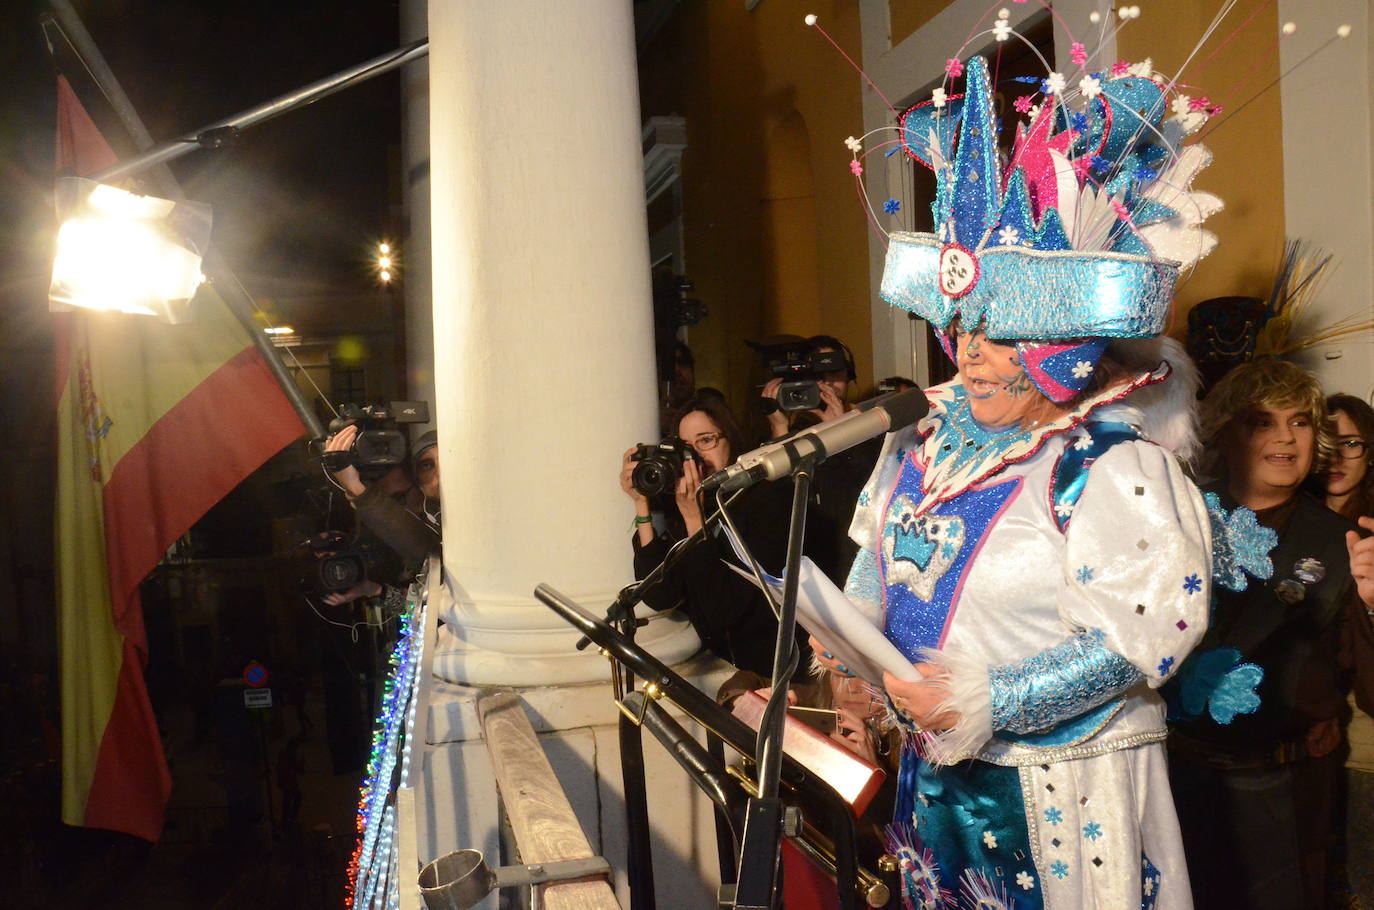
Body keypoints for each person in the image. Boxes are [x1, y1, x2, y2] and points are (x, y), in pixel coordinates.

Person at [812, 50, 1225, 907]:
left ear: (1060, 347)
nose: (969, 354)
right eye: (962, 328)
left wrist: (987, 698)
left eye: (998, 335)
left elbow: (1143, 636)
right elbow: (880, 555)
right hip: (937, 788)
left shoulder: (1113, 466)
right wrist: (848, 635)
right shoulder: (923, 440)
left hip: (1061, 795)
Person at [1168, 362, 1374, 910]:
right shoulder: (1172, 515)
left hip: (1283, 790)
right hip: (1171, 778)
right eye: (1263, 422)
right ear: (1225, 435)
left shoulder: (1341, 543)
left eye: (1301, 422)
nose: (1285, 436)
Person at [621, 396, 805, 676]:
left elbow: (724, 610)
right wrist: (641, 503)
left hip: (774, 669)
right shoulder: (690, 504)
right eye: (686, 447)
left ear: (730, 439)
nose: (695, 457)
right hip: (724, 669)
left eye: (705, 440)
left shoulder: (766, 500)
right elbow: (659, 595)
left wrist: (694, 519)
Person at [322, 427, 440, 603]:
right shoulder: (393, 544)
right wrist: (374, 590)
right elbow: (426, 609)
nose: (440, 475)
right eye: (427, 466)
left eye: (400, 497)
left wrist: (356, 489)